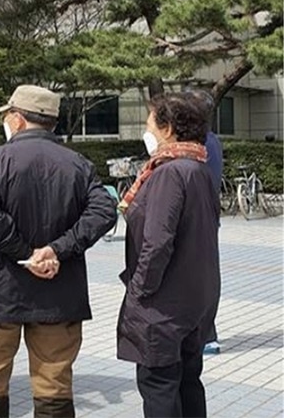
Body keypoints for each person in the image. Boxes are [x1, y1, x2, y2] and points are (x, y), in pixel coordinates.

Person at [0, 85, 117, 418]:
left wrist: (26, 253)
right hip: (59, 293)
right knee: (55, 385)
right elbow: (104, 211)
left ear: (17, 119)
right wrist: (55, 250)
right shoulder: (78, 163)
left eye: (7, 115)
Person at [116, 92, 221, 418]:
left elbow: (157, 243)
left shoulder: (168, 173)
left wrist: (138, 291)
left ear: (168, 128)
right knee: (188, 384)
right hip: (194, 299)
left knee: (159, 386)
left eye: (149, 124)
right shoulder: (198, 167)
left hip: (163, 305)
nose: (146, 131)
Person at [193, 91, 224, 356]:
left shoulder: (199, 143)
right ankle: (206, 332)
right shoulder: (212, 140)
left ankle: (206, 334)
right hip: (208, 216)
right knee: (207, 272)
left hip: (197, 219)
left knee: (200, 275)